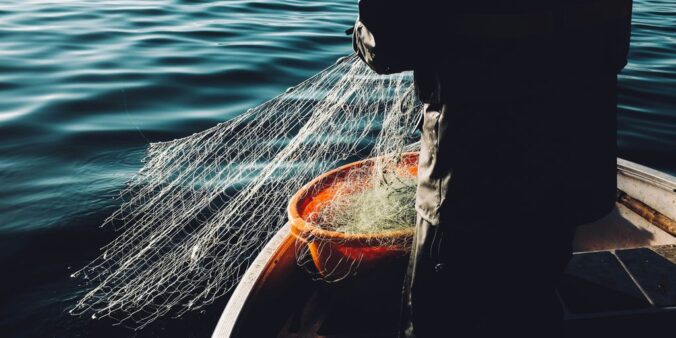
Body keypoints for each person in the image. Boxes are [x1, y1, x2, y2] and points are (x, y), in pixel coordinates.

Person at [352, 0, 633, 337]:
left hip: (471, 176)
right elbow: (613, 46)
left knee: (444, 316)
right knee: (531, 301)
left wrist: (360, 35)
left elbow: (388, 46)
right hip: (568, 165)